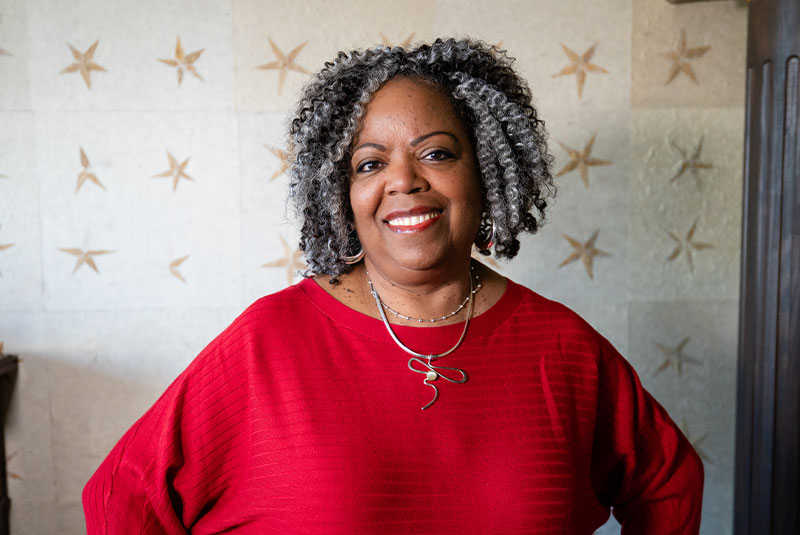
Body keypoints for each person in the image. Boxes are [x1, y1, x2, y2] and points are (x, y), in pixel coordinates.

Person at [83, 37, 703, 534]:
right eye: (370, 163)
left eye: (436, 153)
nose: (403, 181)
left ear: (485, 172)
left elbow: (669, 483)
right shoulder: (266, 345)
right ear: (341, 195)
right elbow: (122, 496)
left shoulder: (563, 348)